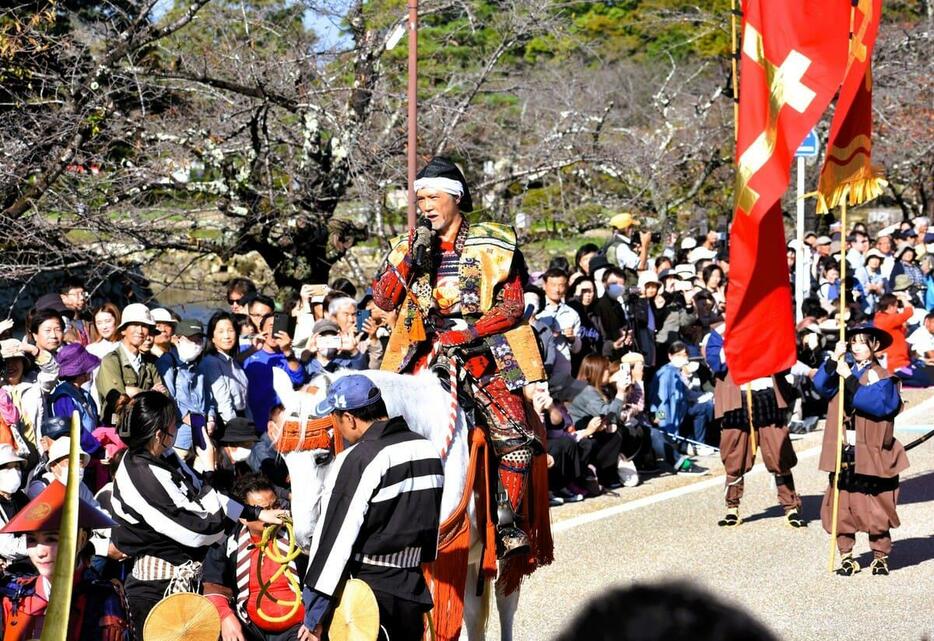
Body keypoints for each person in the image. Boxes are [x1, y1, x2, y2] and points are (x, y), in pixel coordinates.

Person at [371, 156, 538, 557]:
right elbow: (382, 298)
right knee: (375, 420)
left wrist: (471, 331)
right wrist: (412, 259)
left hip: (482, 347)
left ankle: (507, 520)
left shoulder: (493, 242)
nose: (426, 205)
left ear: (455, 198)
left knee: (514, 432)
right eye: (421, 198)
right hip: (420, 347)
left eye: (433, 197)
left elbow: (512, 305)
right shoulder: (409, 243)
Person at [109, 391, 287, 640]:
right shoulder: (141, 473)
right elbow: (203, 530)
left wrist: (256, 513)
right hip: (157, 588)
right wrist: (209, 468)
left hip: (184, 581)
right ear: (160, 434)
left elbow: (211, 498)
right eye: (173, 423)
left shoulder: (163, 457)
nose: (179, 426)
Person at [299, 375, 443, 641]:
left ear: (350, 419)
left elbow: (335, 537)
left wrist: (315, 612)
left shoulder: (359, 458)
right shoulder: (428, 449)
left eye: (336, 419)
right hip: (412, 588)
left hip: (367, 593)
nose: (338, 428)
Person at [812, 326, 908, 576]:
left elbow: (878, 405)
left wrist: (850, 378)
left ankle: (879, 556)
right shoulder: (843, 368)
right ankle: (846, 555)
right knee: (843, 503)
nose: (856, 347)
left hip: (872, 449)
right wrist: (835, 358)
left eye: (862, 343)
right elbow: (821, 386)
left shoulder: (882, 375)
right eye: (852, 342)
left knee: (876, 504)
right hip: (845, 446)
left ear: (875, 346)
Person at [704, 324, 804, 528]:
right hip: (736, 397)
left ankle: (790, 506)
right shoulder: (719, 333)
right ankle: (732, 507)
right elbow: (717, 364)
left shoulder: (765, 324)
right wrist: (736, 340)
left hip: (767, 394)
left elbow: (784, 364)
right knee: (735, 455)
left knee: (778, 452)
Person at [0, 481, 126, 640]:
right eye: (31, 540)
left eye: (52, 539)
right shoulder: (15, 596)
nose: (40, 552)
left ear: (81, 540)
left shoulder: (103, 598)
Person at [203, 474, 308, 641]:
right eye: (263, 510)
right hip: (250, 629)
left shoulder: (301, 535)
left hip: (301, 629)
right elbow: (213, 583)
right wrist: (225, 616)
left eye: (275, 506)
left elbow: (323, 577)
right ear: (244, 516)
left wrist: (316, 621)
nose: (273, 514)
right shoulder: (229, 540)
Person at [95, 303, 167, 423]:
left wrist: (134, 392)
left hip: (143, 427)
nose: (140, 331)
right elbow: (119, 401)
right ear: (123, 330)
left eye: (144, 326)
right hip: (116, 428)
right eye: (134, 325)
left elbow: (164, 397)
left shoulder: (149, 363)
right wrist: (151, 393)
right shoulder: (111, 361)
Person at [158, 319, 216, 458]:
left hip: (201, 434)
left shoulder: (199, 365)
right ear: (177, 339)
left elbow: (209, 397)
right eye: (191, 339)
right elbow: (167, 397)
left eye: (199, 340)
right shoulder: (167, 362)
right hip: (179, 437)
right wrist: (185, 416)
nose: (196, 344)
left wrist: (211, 419)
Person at [244, 313, 306, 431]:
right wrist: (252, 349)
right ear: (260, 329)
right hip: (253, 424)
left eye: (278, 326)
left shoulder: (288, 356)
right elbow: (233, 366)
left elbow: (298, 379)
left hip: (282, 425)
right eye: (271, 326)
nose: (274, 331)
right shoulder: (247, 352)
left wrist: (287, 351)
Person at [0, 338, 57, 452]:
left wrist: (35, 350)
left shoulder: (36, 385)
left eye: (15, 360)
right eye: (6, 362)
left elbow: (52, 372)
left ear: (24, 363)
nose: (11, 366)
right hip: (9, 457)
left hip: (38, 453)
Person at [49, 343, 104, 457]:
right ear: (79, 372)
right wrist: (99, 450)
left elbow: (95, 421)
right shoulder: (63, 397)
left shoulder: (83, 393)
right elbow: (74, 430)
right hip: (77, 456)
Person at [203, 311, 252, 425]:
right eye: (221, 331)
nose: (227, 336)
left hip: (241, 418)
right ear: (212, 337)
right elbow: (223, 403)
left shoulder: (233, 362)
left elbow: (244, 400)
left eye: (230, 330)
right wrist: (235, 431)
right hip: (226, 423)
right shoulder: (212, 362)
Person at [0, 444, 28, 569]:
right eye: (6, 468)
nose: (14, 472)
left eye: (17, 467)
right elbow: (8, 548)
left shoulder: (20, 497)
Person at [873, 293, 914, 374]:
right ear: (890, 306)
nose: (897, 309)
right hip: (897, 366)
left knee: (922, 373)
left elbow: (901, 332)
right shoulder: (888, 319)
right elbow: (909, 312)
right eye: (896, 306)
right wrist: (903, 298)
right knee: (924, 378)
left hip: (902, 362)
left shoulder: (880, 317)